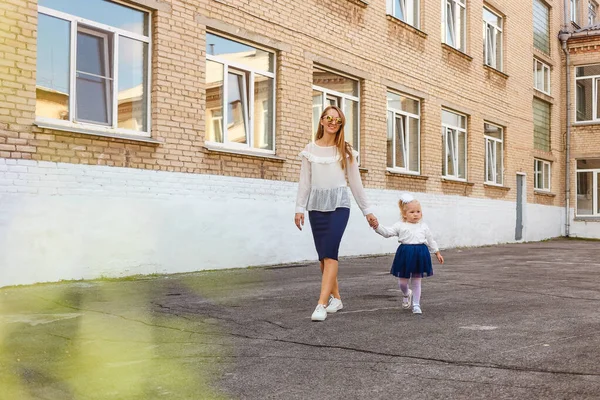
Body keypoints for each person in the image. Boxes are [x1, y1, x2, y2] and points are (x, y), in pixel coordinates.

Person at [295, 105, 378, 322]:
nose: (333, 122)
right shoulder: (309, 149)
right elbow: (305, 182)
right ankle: (337, 299)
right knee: (323, 258)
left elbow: (356, 184)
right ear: (321, 121)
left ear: (341, 125)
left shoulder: (346, 151)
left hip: (339, 206)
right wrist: (299, 208)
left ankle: (321, 304)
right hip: (316, 207)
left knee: (331, 254)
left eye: (338, 120)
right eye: (329, 118)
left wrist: (367, 211)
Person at [374, 193, 444, 314]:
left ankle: (416, 305)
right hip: (405, 254)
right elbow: (387, 233)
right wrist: (376, 226)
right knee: (402, 282)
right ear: (404, 214)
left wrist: (437, 252)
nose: (416, 214)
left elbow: (430, 240)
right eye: (412, 212)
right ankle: (407, 293)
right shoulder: (400, 225)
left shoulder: (424, 226)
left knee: (417, 280)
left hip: (420, 254)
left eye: (418, 211)